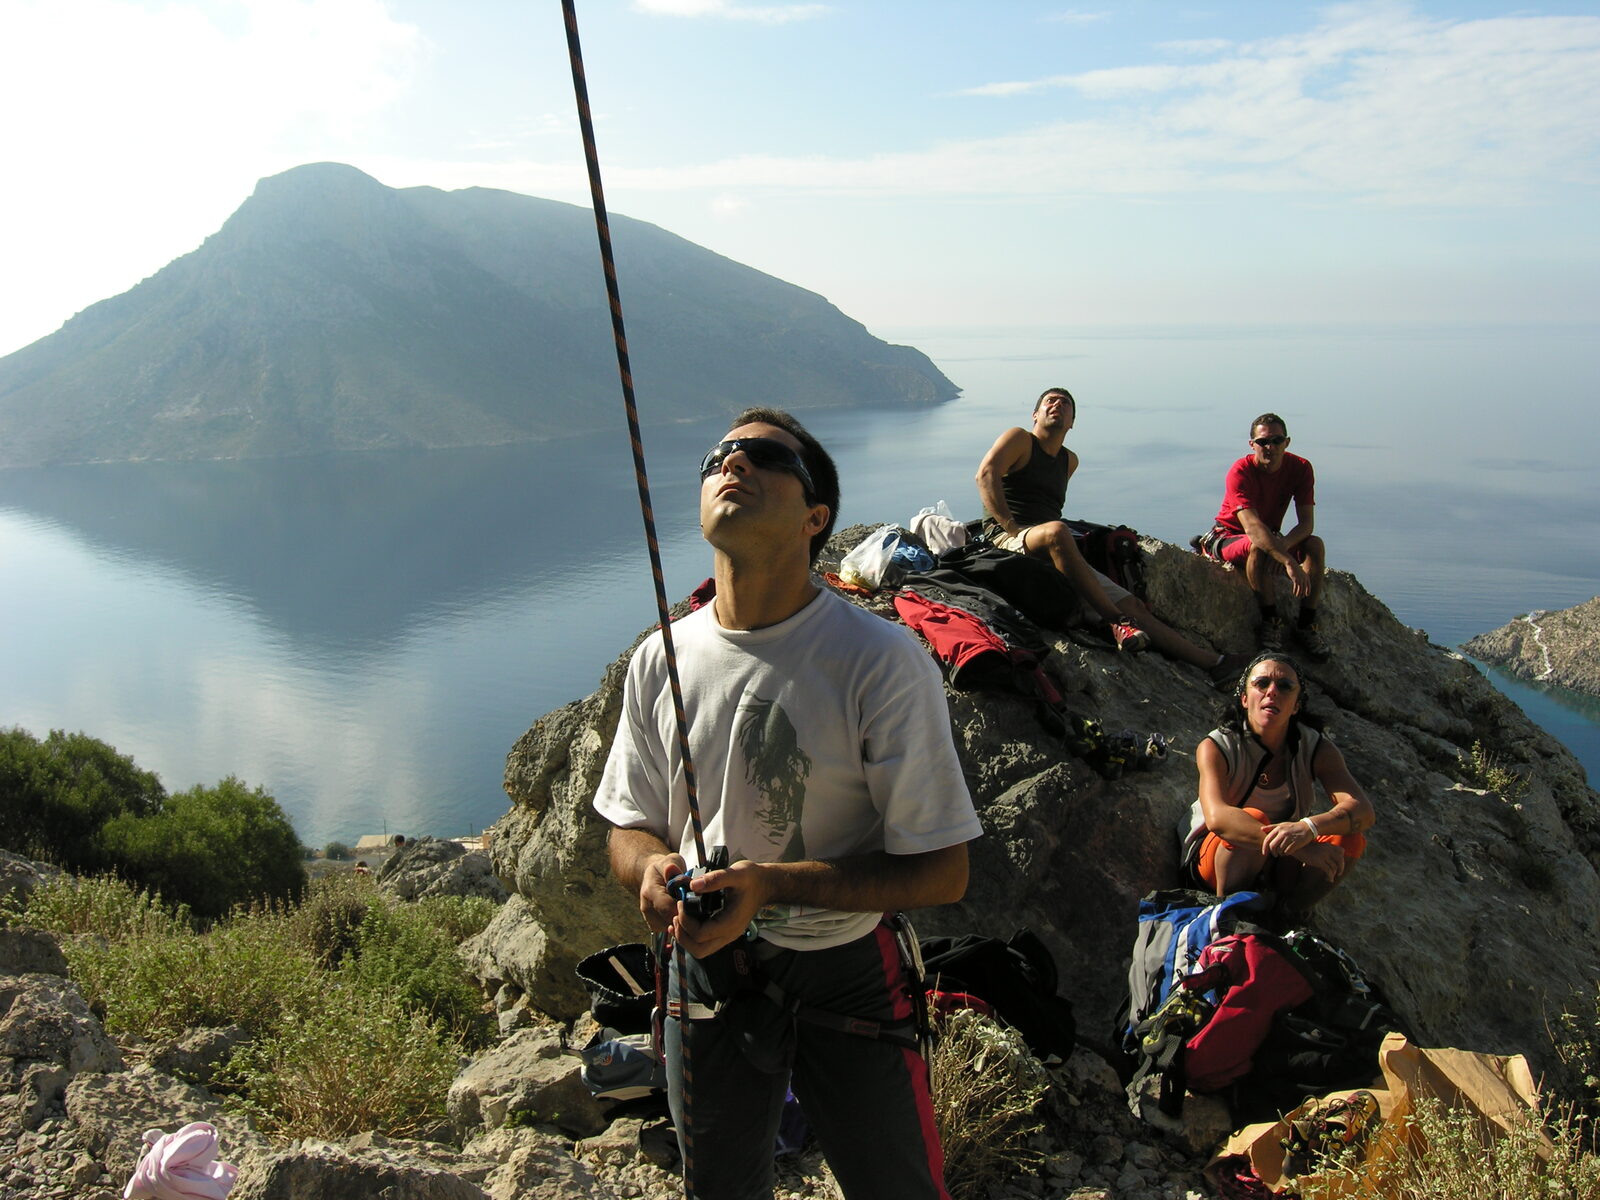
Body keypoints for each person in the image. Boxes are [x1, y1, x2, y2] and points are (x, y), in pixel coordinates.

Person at [594, 407, 982, 1200]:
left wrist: (772, 885)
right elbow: (627, 824)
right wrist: (649, 868)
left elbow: (943, 872)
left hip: (844, 971)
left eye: (765, 456)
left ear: (816, 518)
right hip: (704, 967)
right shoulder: (659, 659)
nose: (733, 463)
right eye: (719, 455)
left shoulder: (878, 663)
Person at [976, 386, 1246, 681]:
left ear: (1072, 422)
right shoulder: (1020, 439)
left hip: (1050, 545)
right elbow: (986, 474)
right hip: (1007, 539)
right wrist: (1011, 527)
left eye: (1065, 404)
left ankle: (1214, 663)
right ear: (1035, 415)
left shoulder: (1069, 461)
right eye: (1049, 402)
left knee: (1132, 604)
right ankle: (1116, 622)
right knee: (1057, 531)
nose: (1057, 405)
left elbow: (1048, 510)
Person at [1181, 652, 1375, 915]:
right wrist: (1302, 846)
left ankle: (1288, 915)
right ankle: (1228, 919)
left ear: (1296, 705)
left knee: (1349, 836)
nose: (1272, 691)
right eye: (1261, 684)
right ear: (1245, 698)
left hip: (1281, 860)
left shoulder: (1315, 748)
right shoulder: (1217, 746)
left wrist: (1309, 828)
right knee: (1252, 816)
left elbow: (1362, 810)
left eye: (1285, 686)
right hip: (1216, 860)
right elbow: (1218, 817)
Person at [1197, 413, 1330, 660]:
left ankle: (1306, 623)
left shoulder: (1300, 468)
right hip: (1229, 536)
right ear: (1252, 445)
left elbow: (1306, 525)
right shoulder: (1241, 471)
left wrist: (1282, 546)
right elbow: (1253, 529)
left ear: (1287, 442)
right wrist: (1287, 560)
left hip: (1270, 535)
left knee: (1315, 545)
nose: (1270, 447)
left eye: (1277, 440)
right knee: (1258, 547)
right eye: (1262, 442)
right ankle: (1271, 620)